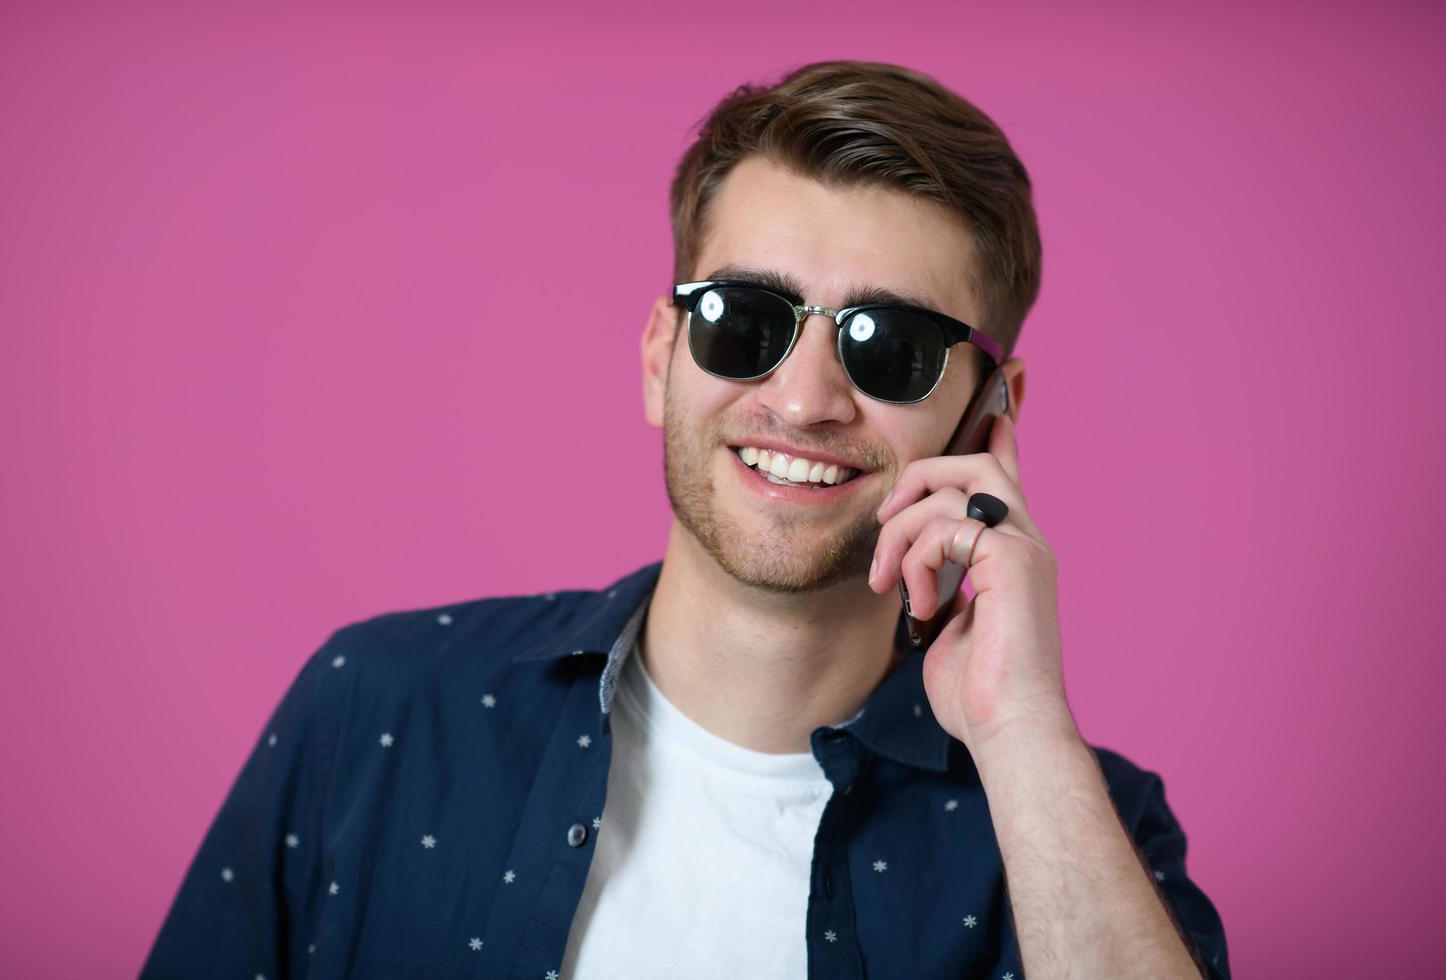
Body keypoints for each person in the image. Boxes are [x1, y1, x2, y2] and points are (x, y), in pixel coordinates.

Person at [142, 60, 1229, 979]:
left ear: (993, 412)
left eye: (889, 346)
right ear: (663, 357)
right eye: (744, 320)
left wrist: (1023, 733)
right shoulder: (377, 708)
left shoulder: (1089, 830)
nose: (804, 400)